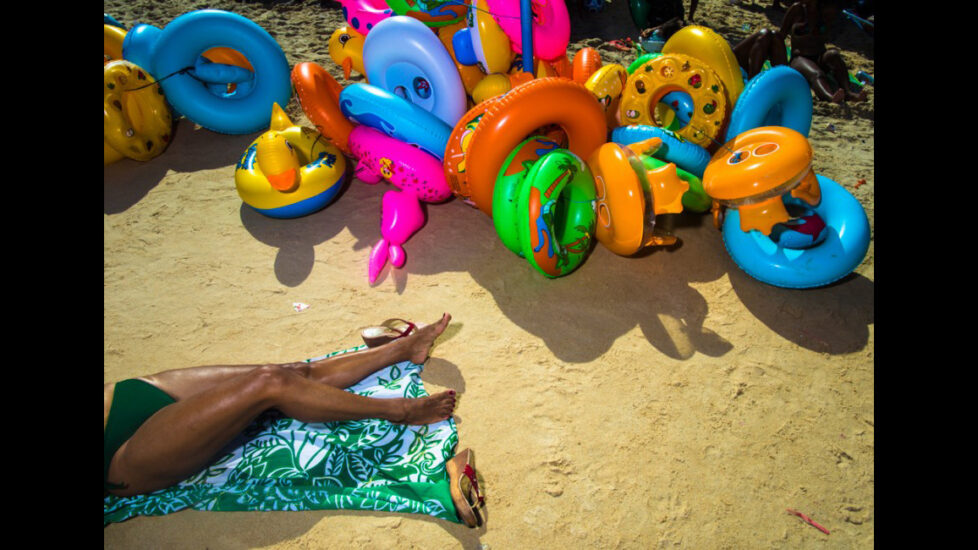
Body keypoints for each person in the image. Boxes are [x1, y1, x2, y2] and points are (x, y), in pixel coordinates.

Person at [104, 313, 459, 499]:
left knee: (294, 372)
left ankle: (401, 349)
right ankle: (400, 412)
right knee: (270, 383)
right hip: (121, 459)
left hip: (129, 395)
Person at [778, 0, 868, 103]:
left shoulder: (826, 10)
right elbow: (781, 36)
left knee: (833, 55)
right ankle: (830, 97)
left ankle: (848, 93)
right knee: (817, 73)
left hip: (820, 55)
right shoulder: (797, 9)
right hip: (800, 58)